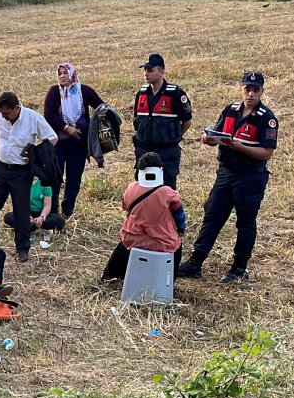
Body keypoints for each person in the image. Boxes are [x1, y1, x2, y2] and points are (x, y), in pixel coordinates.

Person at [178, 71, 278, 283]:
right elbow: (218, 133)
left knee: (245, 222)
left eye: (255, 90)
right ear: (241, 89)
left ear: (262, 91)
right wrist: (209, 138)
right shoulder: (231, 110)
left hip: (250, 177)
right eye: (247, 89)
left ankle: (239, 267)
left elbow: (267, 152)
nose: (250, 94)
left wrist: (240, 146)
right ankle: (196, 263)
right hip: (225, 173)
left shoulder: (266, 119)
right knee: (212, 216)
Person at [0, 91, 58, 262]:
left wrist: (36, 154)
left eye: (6, 113)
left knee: (21, 210)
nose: (3, 116)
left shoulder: (32, 118)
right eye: (1, 113)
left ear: (17, 108)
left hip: (21, 172)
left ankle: (22, 248)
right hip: (0, 168)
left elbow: (52, 138)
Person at [102, 153, 187, 280]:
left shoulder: (131, 188)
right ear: (160, 171)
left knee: (122, 247)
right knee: (177, 247)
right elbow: (179, 215)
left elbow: (125, 207)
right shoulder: (168, 193)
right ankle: (169, 281)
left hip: (134, 239)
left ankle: (110, 275)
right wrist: (180, 230)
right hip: (163, 242)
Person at [43, 62, 106, 218]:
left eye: (65, 73)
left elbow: (102, 106)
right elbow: (49, 115)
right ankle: (52, 211)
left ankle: (68, 210)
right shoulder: (54, 92)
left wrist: (100, 114)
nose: (63, 76)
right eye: (60, 73)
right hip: (59, 142)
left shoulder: (83, 91)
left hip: (79, 143)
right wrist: (67, 128)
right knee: (55, 177)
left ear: (72, 74)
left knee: (74, 178)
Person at [132, 53, 193, 189]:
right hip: (144, 150)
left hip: (166, 152)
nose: (146, 74)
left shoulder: (175, 94)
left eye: (150, 70)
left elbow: (187, 122)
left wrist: (175, 137)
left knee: (166, 192)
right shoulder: (141, 93)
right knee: (143, 190)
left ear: (162, 72)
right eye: (145, 70)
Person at [2, 177, 66, 236]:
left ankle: (31, 227)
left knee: (60, 221)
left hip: (40, 214)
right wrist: (26, 216)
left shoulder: (45, 182)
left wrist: (42, 217)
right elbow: (18, 203)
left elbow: (47, 205)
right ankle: (35, 227)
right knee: (8, 217)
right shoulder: (22, 182)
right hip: (26, 212)